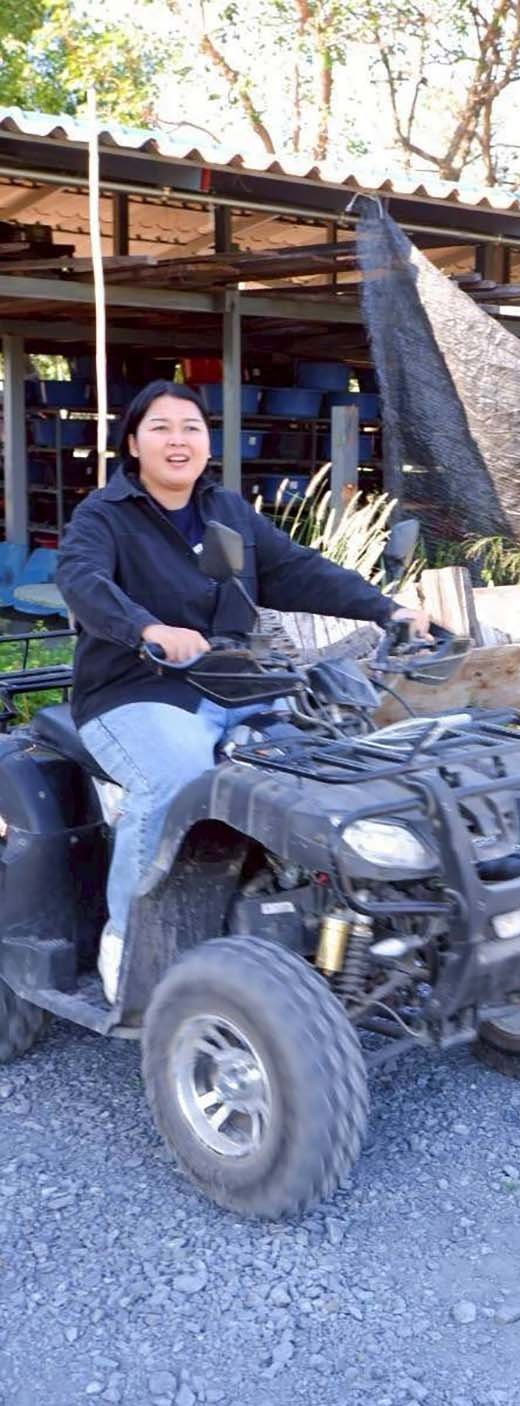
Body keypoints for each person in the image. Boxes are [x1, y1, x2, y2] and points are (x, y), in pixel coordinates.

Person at [56, 380, 430, 1002]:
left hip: (233, 686)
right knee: (177, 780)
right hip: (135, 688)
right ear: (134, 443)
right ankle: (130, 941)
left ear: (208, 443)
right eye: (161, 428)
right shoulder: (104, 515)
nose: (178, 440)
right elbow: (82, 579)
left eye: (191, 428)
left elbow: (296, 570)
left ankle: (323, 922)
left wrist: (387, 610)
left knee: (321, 765)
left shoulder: (226, 511)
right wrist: (147, 628)